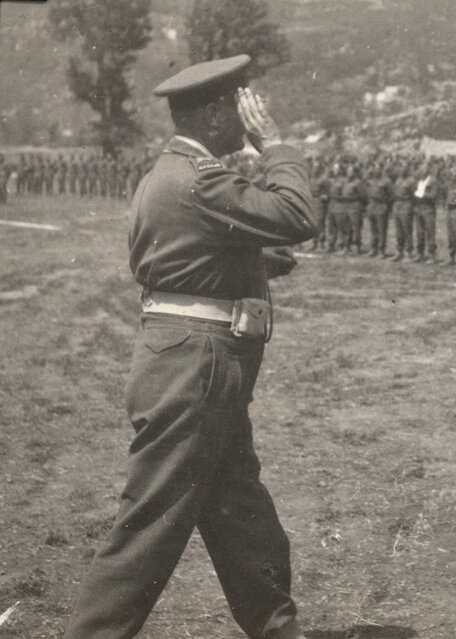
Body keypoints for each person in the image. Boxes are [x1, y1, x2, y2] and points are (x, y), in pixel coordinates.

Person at [61, 55, 316, 639]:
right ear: (215, 114)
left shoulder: (165, 175)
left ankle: (278, 629)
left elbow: (174, 261)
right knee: (151, 522)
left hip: (184, 359)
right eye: (239, 106)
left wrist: (250, 259)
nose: (250, 115)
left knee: (239, 512)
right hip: (197, 367)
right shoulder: (203, 178)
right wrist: (274, 146)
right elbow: (298, 214)